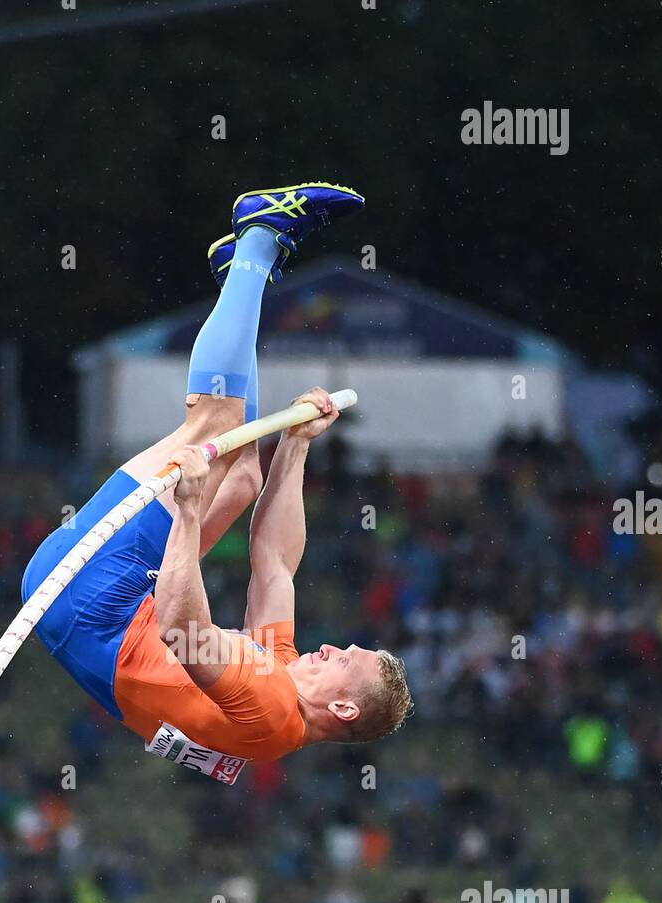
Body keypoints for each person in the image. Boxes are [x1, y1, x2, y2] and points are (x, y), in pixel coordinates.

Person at [22, 184, 413, 782]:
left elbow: (184, 631)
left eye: (345, 659)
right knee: (241, 475)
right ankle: (240, 276)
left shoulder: (272, 708)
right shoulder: (280, 678)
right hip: (100, 610)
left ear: (342, 706)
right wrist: (296, 446)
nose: (333, 646)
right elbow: (275, 562)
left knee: (215, 423)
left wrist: (185, 508)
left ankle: (260, 236)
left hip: (88, 599)